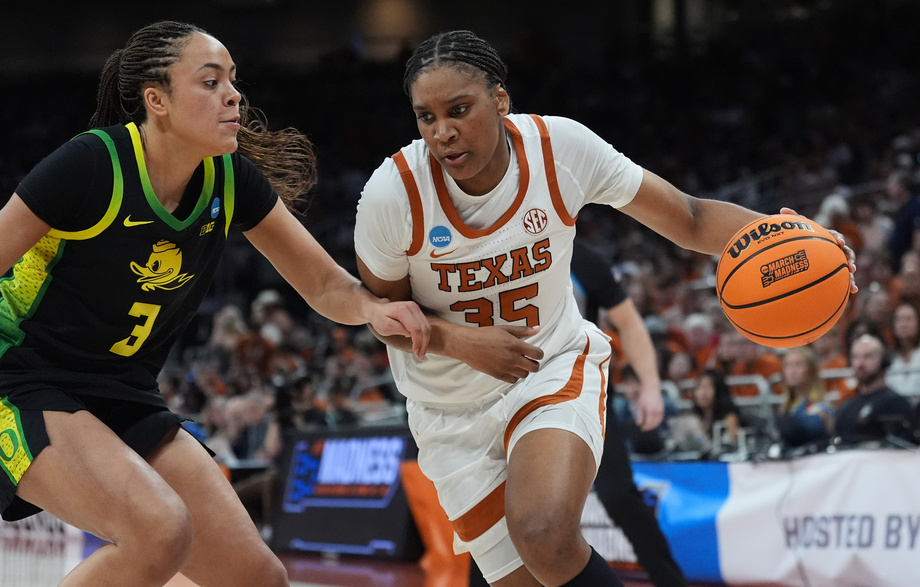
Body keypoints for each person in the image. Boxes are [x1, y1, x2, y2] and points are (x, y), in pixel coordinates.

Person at [0, 20, 429, 587]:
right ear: (156, 100)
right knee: (159, 531)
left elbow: (326, 286)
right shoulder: (94, 164)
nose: (234, 95)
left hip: (125, 395)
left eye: (233, 81)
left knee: (256, 578)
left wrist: (372, 310)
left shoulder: (231, 180)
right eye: (210, 82)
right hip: (22, 381)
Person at [353, 30, 856, 587]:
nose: (442, 132)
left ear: (500, 100)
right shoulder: (392, 196)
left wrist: (787, 235)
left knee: (543, 531)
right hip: (449, 411)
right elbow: (385, 316)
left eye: (459, 109)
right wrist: (458, 341)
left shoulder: (561, 150)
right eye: (426, 117)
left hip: (548, 366)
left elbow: (687, 217)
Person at [570, 241, 688, 587]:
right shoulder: (498, 245)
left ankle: (671, 582)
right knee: (499, 503)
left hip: (585, 387)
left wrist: (651, 387)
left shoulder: (584, 258)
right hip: (519, 390)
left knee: (618, 493)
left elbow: (630, 322)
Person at [834, 332, 913, 444]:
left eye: (868, 356)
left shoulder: (897, 404)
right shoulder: (845, 407)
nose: (860, 363)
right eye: (855, 357)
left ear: (884, 360)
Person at [773, 346, 835, 450]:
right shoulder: (784, 408)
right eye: (788, 365)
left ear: (811, 370)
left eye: (798, 365)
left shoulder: (822, 408)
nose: (792, 371)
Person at [689, 369, 741, 453]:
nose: (703, 392)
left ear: (719, 390)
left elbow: (731, 443)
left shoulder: (730, 417)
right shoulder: (694, 418)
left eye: (708, 387)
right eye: (700, 387)